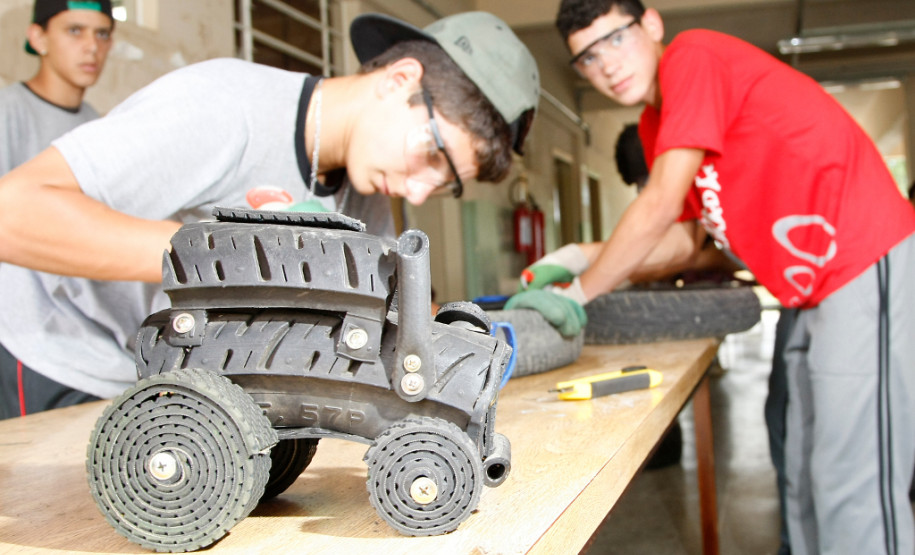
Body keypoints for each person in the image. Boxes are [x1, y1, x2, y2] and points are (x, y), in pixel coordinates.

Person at [509, 1, 915, 554]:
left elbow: (657, 206)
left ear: (651, 25)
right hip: (808, 289)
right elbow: (686, 243)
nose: (607, 65)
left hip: (862, 257)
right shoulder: (657, 125)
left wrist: (582, 293)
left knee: (851, 475)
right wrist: (583, 254)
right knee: (796, 453)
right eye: (587, 58)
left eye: (616, 40)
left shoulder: (692, 57)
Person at [0, 11, 540, 419]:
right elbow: (13, 212)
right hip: (51, 351)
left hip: (150, 377)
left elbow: (394, 312)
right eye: (431, 154)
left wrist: (491, 331)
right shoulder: (227, 107)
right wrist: (237, 261)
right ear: (399, 79)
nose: (418, 192)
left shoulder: (367, 188)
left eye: (444, 184)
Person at [0, 0, 115, 176]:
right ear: (38, 39)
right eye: (75, 31)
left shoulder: (93, 122)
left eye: (102, 34)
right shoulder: (8, 110)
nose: (92, 47)